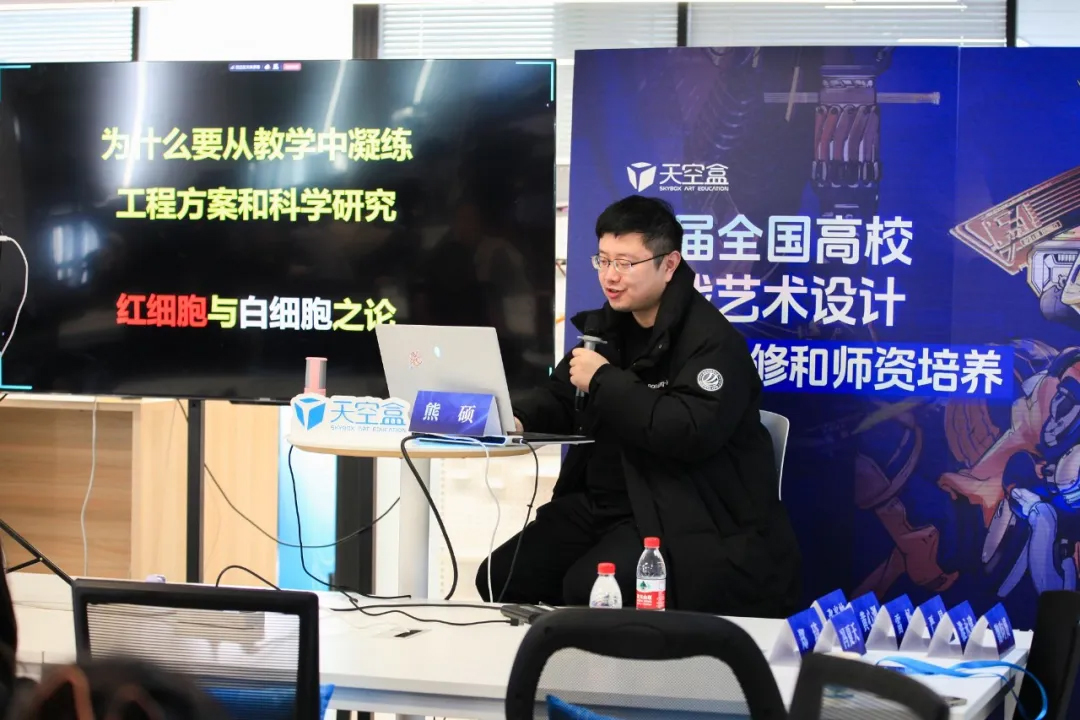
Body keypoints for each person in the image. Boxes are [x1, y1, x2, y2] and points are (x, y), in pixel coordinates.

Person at [477, 195, 801, 616]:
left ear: (669, 265)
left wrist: (604, 380)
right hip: (601, 504)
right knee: (500, 576)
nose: (610, 276)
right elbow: (563, 395)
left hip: (678, 513)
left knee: (585, 589)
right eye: (603, 260)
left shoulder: (713, 343)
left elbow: (687, 430)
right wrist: (518, 418)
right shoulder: (608, 328)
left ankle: (600, 653)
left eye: (626, 263)